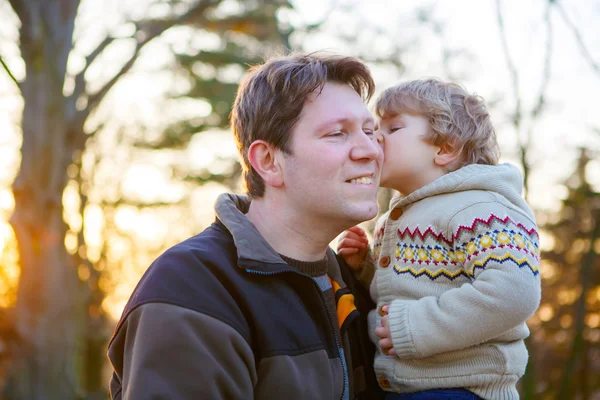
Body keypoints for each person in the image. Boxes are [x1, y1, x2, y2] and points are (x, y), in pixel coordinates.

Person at [107, 52, 387, 399]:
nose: (370, 150)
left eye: (370, 131)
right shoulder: (192, 291)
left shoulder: (353, 284)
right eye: (337, 134)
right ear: (268, 161)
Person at [337, 79, 542, 400]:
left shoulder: (482, 207)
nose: (376, 137)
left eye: (393, 128)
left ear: (446, 147)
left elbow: (513, 292)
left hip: (464, 388)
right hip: (411, 386)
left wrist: (416, 326)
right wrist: (365, 269)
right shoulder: (401, 214)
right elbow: (414, 285)